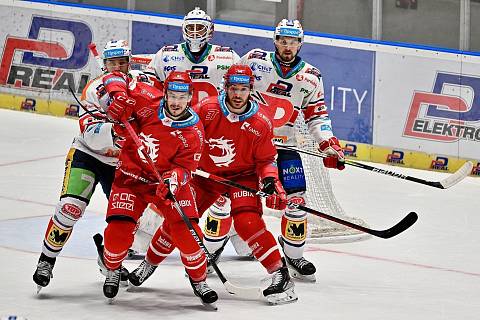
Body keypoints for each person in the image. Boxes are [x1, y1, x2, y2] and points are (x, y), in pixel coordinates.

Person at [128, 64, 298, 305]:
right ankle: (148, 264)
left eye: (243, 89)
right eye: (233, 88)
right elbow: (185, 132)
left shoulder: (261, 122)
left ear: (250, 90)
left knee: (248, 223)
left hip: (242, 178)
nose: (237, 95)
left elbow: (266, 160)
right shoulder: (207, 110)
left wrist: (271, 180)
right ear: (225, 87)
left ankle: (280, 274)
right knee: (180, 221)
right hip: (204, 175)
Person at [205, 19, 346, 282]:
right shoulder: (255, 61)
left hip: (284, 148)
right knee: (222, 199)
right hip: (246, 143)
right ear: (275, 41)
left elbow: (317, 116)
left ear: (300, 43)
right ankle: (209, 253)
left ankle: (294, 255)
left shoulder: (312, 77)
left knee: (296, 201)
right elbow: (231, 90)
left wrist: (328, 143)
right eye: (283, 41)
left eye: (293, 42)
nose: (287, 46)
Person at [99, 70, 216, 307]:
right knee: (116, 235)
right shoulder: (145, 98)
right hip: (131, 178)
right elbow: (114, 76)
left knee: (190, 236)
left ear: (190, 97)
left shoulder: (194, 131)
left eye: (181, 97)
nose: (175, 102)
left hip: (169, 185)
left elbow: (185, 168)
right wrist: (117, 95)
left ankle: (199, 280)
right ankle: (112, 268)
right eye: (172, 95)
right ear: (164, 93)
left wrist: (173, 180)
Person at [32, 40, 133, 291]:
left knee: (129, 219)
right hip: (88, 155)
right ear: (104, 64)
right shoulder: (93, 90)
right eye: (112, 63)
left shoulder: (140, 86)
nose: (118, 67)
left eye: (123, 62)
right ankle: (46, 260)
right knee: (70, 207)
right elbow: (89, 133)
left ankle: (110, 260)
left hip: (123, 163)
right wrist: (117, 129)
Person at [144, 7, 239, 104]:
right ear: (184, 29)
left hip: (212, 116)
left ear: (210, 30)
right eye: (190, 28)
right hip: (177, 116)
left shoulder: (228, 56)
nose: (194, 33)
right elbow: (148, 87)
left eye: (199, 28)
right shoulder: (165, 55)